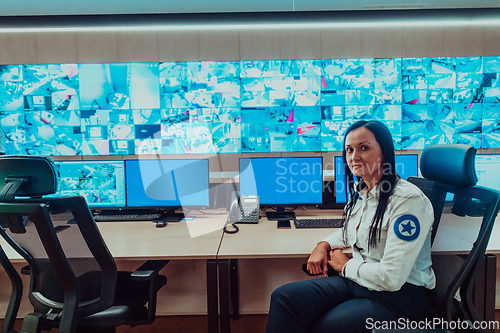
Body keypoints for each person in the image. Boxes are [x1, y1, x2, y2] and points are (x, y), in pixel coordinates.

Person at [265, 120, 435, 333]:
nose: (354, 157)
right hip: (361, 281)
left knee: (321, 327)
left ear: (384, 151)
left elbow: (391, 278)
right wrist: (323, 244)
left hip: (399, 297)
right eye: (349, 150)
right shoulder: (363, 191)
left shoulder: (408, 201)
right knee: (284, 298)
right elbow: (351, 231)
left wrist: (344, 266)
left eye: (364, 148)